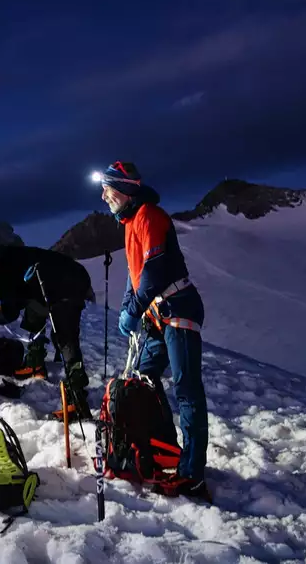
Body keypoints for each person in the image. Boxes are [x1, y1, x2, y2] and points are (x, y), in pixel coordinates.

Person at [96, 160, 209, 499]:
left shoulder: (150, 217)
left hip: (178, 308)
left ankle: (193, 473)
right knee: (144, 378)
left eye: (107, 188)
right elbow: (137, 276)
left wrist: (133, 309)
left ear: (125, 188)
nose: (103, 196)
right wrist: (130, 307)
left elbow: (155, 272)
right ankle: (158, 445)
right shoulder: (131, 223)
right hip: (158, 314)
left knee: (187, 389)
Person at [0, 245, 95, 420]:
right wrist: (3, 307)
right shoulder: (4, 257)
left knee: (65, 339)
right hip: (66, 275)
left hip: (68, 286)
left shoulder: (1, 270)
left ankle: (77, 403)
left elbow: (10, 313)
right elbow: (21, 294)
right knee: (34, 311)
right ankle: (35, 364)